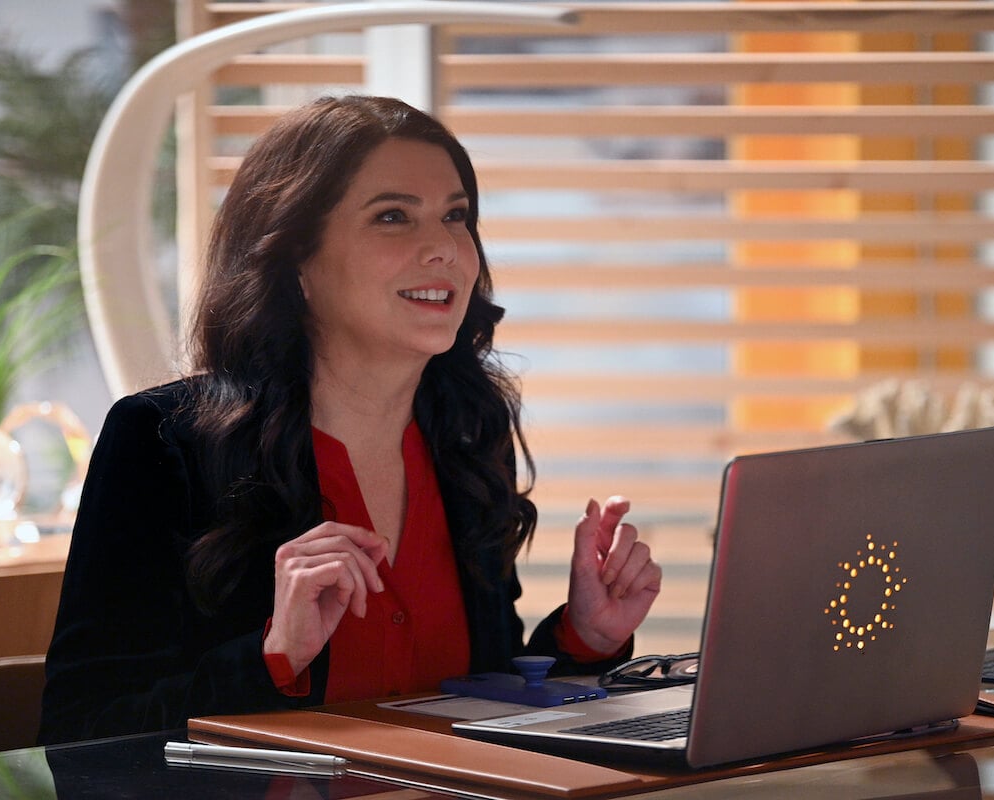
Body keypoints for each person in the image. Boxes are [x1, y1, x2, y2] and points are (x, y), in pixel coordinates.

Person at [38, 95, 662, 744]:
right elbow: (81, 734)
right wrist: (275, 656)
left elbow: (479, 697)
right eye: (393, 217)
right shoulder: (162, 441)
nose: (444, 248)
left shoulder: (469, 433)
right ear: (296, 261)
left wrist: (583, 639)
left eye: (456, 216)